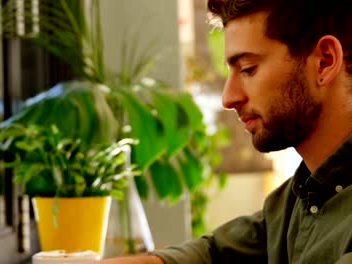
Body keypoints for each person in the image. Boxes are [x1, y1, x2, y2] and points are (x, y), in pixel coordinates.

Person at [78, 0, 352, 263]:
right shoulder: (295, 201)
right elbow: (215, 253)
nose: (228, 97)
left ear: (325, 62)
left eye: (248, 69)